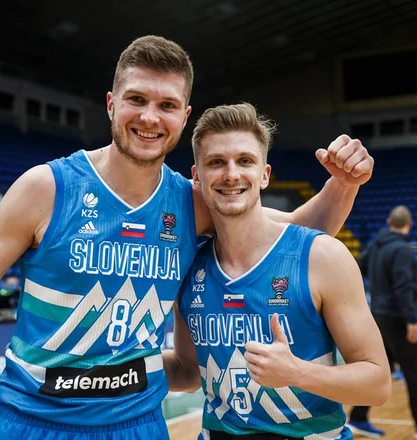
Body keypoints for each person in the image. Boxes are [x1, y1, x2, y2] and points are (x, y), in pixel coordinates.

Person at [0, 36, 374, 440]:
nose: (149, 117)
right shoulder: (47, 188)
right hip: (33, 423)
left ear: (183, 117)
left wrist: (344, 182)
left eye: (166, 105)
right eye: (137, 100)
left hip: (138, 425)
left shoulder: (194, 200)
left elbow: (292, 237)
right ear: (111, 103)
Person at [163, 103, 390, 440]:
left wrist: (297, 372)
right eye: (215, 162)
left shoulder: (322, 256)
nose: (231, 174)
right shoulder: (188, 262)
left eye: (244, 161)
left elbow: (378, 384)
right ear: (196, 176)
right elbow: (186, 370)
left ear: (265, 174)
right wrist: (118, 363)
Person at [346, 206, 417, 439]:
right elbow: (404, 286)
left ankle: (358, 417)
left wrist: (379, 286)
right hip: (397, 318)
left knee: (381, 370)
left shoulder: (376, 244)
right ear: (409, 224)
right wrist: (411, 319)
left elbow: (359, 267)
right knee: (414, 371)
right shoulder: (402, 249)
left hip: (379, 315)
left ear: (388, 221)